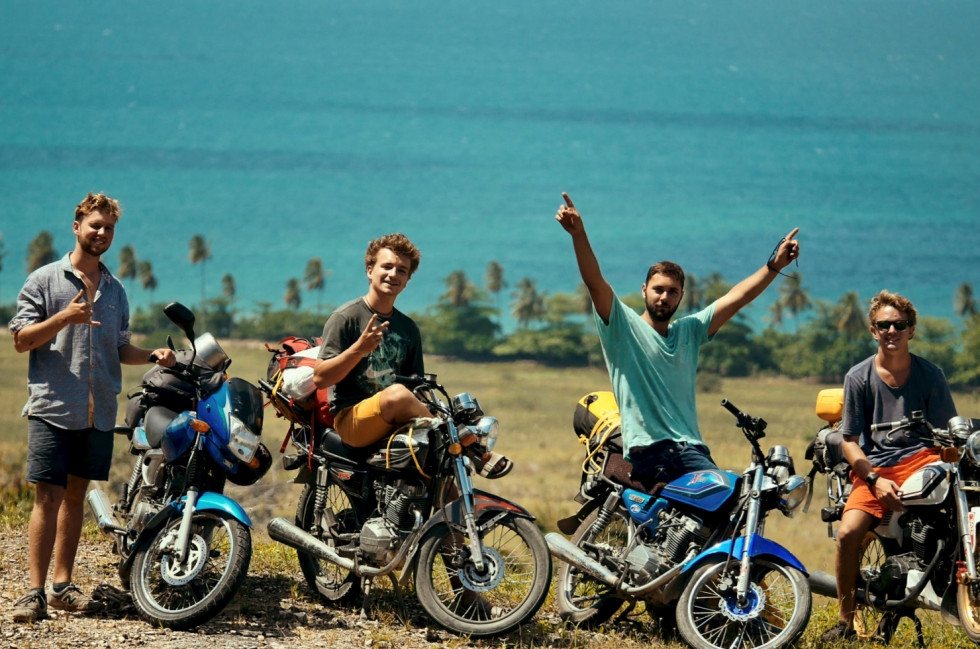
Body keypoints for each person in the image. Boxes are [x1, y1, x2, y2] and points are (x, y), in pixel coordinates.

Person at [9, 192, 176, 623]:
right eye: (95, 225)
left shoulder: (116, 290)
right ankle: (33, 593)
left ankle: (62, 588)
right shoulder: (44, 280)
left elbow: (119, 347)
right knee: (48, 496)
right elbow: (22, 340)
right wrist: (64, 318)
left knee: (75, 497)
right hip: (53, 406)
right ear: (77, 227)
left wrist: (152, 355)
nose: (101, 233)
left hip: (98, 410)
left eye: (109, 228)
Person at [555, 192, 800, 485]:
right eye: (658, 289)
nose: (664, 297)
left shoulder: (690, 331)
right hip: (654, 451)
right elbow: (595, 282)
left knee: (741, 497)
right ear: (644, 290)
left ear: (681, 296)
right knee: (726, 492)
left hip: (692, 449)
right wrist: (578, 235)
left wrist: (774, 267)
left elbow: (737, 298)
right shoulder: (622, 326)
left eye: (672, 292)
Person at [820, 290, 957, 642]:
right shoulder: (858, 377)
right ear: (873, 330)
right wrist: (874, 479)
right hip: (876, 467)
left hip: (923, 460)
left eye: (899, 324)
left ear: (912, 330)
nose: (892, 331)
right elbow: (849, 441)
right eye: (884, 325)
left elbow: (948, 434)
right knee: (848, 534)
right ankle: (846, 622)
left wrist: (955, 452)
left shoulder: (931, 375)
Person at [313, 233, 431, 448]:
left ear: (406, 281)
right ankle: (442, 430)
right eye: (387, 267)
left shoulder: (409, 328)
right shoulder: (346, 317)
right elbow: (321, 378)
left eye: (402, 270)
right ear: (370, 270)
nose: (393, 274)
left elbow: (417, 386)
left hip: (394, 417)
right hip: (352, 419)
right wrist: (359, 349)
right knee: (397, 395)